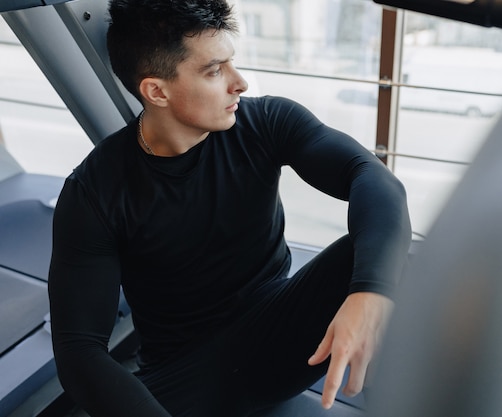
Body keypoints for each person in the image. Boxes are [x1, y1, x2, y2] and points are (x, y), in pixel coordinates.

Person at [48, 0, 412, 416]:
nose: (239, 83)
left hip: (283, 334)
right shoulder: (93, 192)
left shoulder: (268, 121)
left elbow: (371, 177)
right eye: (214, 70)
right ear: (156, 91)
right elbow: (79, 352)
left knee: (389, 257)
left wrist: (369, 293)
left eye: (231, 63)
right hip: (185, 376)